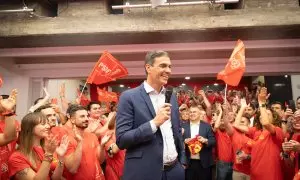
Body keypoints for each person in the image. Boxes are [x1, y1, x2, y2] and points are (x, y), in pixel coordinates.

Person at [116, 50, 186, 180]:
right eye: (163, 66)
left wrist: (182, 161)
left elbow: (176, 131)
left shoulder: (171, 97)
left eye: (170, 66)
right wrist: (153, 124)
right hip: (144, 173)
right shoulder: (129, 97)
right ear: (148, 67)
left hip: (175, 172)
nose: (168, 70)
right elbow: (122, 140)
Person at [8, 112, 68, 180]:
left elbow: (55, 178)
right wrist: (48, 154)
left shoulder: (40, 149)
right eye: (43, 124)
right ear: (30, 128)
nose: (48, 126)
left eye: (47, 123)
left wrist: (61, 157)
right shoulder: (16, 158)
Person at [63, 104, 110, 180]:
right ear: (72, 120)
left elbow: (100, 161)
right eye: (82, 116)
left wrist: (102, 146)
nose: (86, 119)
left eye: (87, 116)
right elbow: (72, 169)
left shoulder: (92, 136)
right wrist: (79, 143)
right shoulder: (66, 138)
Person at [182, 105, 216, 180]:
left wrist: (205, 140)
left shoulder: (207, 126)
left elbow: (213, 141)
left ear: (199, 114)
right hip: (188, 163)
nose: (192, 113)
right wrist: (184, 141)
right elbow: (177, 142)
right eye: (190, 112)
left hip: (204, 163)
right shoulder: (183, 126)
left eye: (194, 112)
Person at [0, 90, 20, 180]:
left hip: (10, 162)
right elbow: (7, 138)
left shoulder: (15, 122)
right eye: (4, 101)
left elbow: (18, 141)